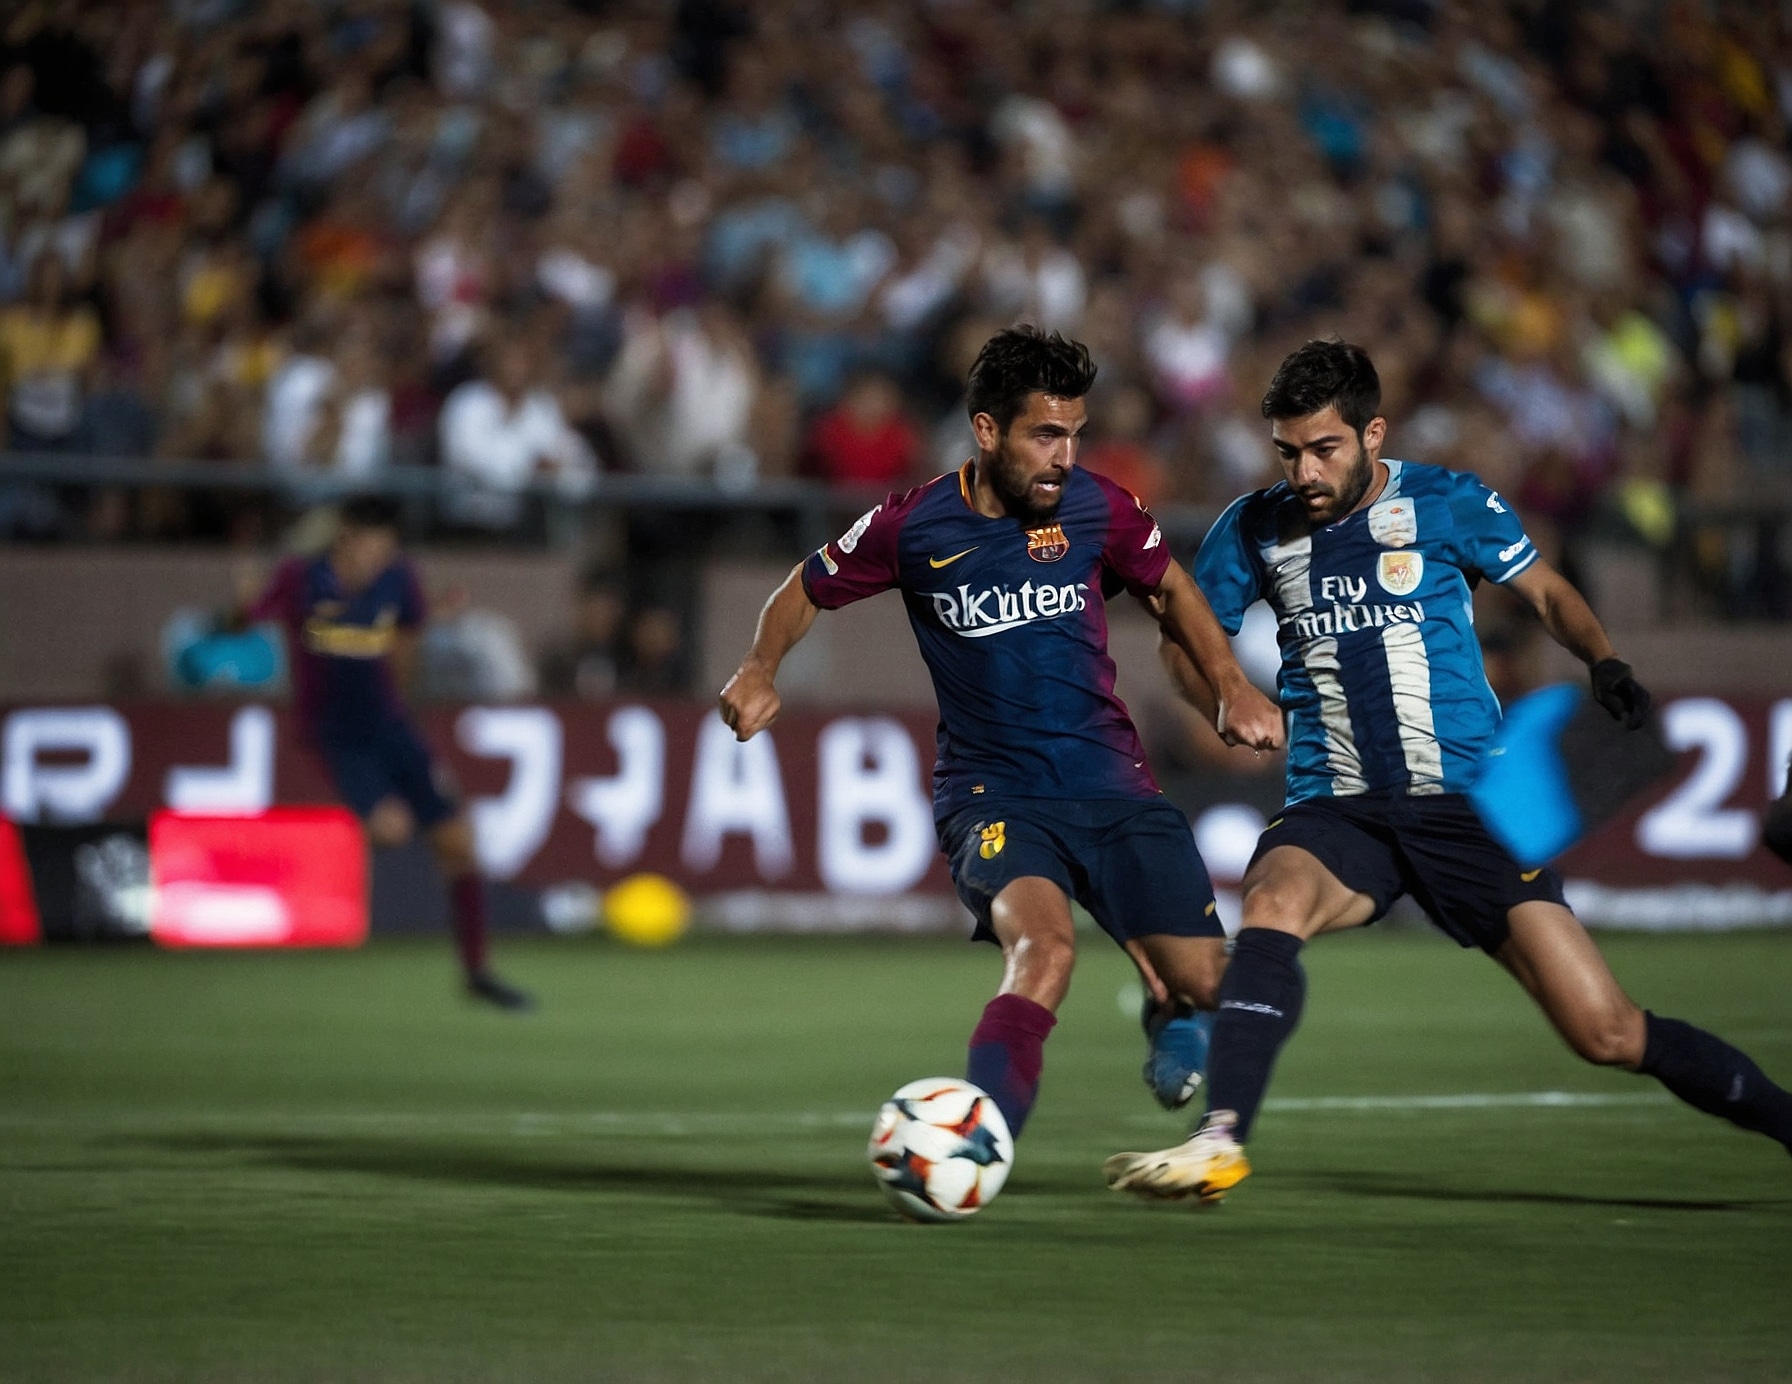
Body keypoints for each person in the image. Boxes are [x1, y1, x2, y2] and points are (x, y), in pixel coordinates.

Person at [1106, 339, 1792, 1202]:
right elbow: (1184, 638)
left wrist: (1604, 660)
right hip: (1339, 805)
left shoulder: (1447, 501)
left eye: (1325, 449)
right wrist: (1227, 693)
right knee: (1273, 904)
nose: (1305, 472)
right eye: (1288, 452)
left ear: (1373, 434)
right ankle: (1220, 1142)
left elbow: (1546, 592)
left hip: (1467, 808)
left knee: (1608, 1033)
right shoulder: (1254, 526)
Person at [719, 326, 1283, 1139]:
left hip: (1114, 786)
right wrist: (758, 669)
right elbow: (804, 589)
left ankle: (1170, 1004)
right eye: (1045, 435)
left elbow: (1171, 590)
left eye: (1075, 435)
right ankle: (983, 1143)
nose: (1065, 457)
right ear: (987, 430)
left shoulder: (1098, 506)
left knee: (1208, 981)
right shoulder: (913, 526)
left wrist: (1231, 687)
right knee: (1045, 952)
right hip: (994, 798)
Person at [243, 495, 533, 1011]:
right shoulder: (301, 578)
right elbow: (249, 616)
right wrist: (242, 605)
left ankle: (477, 972)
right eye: (372, 545)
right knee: (390, 829)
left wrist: (405, 715)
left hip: (391, 727)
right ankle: (306, 905)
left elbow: (406, 649)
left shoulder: (399, 579)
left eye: (387, 548)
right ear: (346, 538)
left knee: (459, 843)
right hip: (335, 734)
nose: (379, 557)